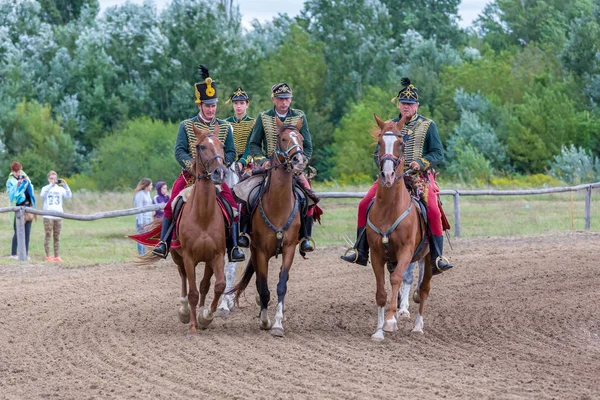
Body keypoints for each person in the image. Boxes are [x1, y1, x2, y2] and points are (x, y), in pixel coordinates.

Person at [340, 77, 454, 275]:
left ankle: (437, 257)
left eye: (410, 104)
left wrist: (421, 162)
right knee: (364, 204)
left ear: (417, 105)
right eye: (403, 103)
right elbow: (378, 153)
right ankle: (360, 250)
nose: (406, 107)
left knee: (434, 210)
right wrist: (385, 167)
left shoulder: (428, 125)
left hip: (418, 178)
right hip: (390, 177)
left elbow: (438, 153)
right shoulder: (389, 125)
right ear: (398, 104)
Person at [152, 65, 244, 263]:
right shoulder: (186, 126)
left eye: (213, 105)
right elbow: (179, 151)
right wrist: (192, 167)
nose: (211, 109)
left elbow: (231, 152)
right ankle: (164, 243)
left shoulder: (225, 127)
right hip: (190, 176)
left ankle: (234, 246)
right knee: (171, 204)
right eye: (207, 105)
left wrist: (220, 164)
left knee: (233, 206)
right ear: (199, 106)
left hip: (217, 177)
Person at [237, 82, 316, 253]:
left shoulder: (300, 116)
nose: (283, 102)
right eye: (280, 99)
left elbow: (308, 146)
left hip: (294, 169)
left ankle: (305, 237)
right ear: (273, 99)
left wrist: (301, 162)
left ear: (291, 99)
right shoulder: (264, 117)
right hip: (269, 168)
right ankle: (244, 233)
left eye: (286, 99)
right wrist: (263, 160)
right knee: (246, 193)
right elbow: (254, 144)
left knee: (309, 196)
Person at [224, 87, 255, 248]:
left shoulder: (253, 123)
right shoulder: (225, 123)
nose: (238, 106)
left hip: (246, 164)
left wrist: (242, 161)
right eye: (236, 103)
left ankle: (244, 230)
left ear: (247, 105)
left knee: (250, 195)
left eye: (242, 103)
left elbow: (251, 147)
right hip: (227, 163)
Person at [40, 171, 72, 262]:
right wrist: (51, 185)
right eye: (51, 178)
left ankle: (57, 256)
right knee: (48, 235)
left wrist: (65, 185)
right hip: (48, 215)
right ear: (48, 179)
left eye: (55, 178)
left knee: (57, 236)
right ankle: (48, 255)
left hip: (58, 215)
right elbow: (42, 195)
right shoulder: (45, 188)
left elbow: (69, 196)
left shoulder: (60, 189)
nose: (53, 180)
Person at [6, 161, 36, 260]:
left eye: (19, 171)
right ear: (12, 171)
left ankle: (25, 253)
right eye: (16, 172)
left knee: (27, 231)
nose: (18, 174)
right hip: (18, 208)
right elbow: (11, 195)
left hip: (28, 207)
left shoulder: (25, 176)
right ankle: (14, 253)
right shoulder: (10, 181)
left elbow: (31, 188)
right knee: (17, 231)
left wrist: (26, 182)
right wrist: (17, 186)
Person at [134, 178, 153, 255]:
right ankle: (141, 254)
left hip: (148, 218)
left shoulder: (147, 194)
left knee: (146, 237)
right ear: (147, 185)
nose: (152, 186)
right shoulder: (140, 195)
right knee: (141, 237)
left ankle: (145, 253)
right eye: (151, 185)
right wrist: (141, 222)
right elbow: (139, 209)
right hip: (142, 219)